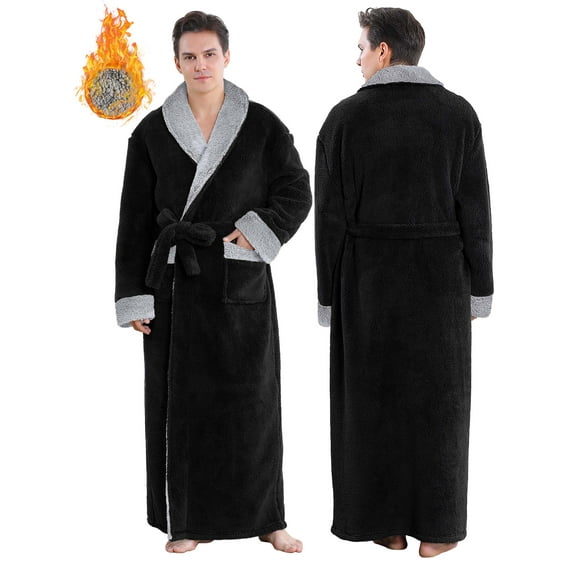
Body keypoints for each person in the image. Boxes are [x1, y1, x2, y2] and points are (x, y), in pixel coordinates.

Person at [115, 11, 311, 554]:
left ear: (227, 56)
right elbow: (134, 220)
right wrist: (134, 295)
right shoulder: (151, 132)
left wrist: (257, 232)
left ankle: (268, 519)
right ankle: (188, 520)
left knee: (255, 406)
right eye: (189, 56)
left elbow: (296, 190)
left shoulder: (262, 125)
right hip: (175, 289)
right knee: (183, 409)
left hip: (239, 283)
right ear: (176, 62)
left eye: (209, 54)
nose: (200, 64)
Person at [314, 7, 493, 558]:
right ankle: (439, 529)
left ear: (384, 50)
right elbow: (476, 210)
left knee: (370, 401)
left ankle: (383, 523)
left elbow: (330, 219)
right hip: (441, 281)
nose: (358, 59)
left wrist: (328, 296)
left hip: (366, 279)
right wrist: (480, 287)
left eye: (361, 48)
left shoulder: (344, 118)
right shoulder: (458, 114)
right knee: (440, 403)